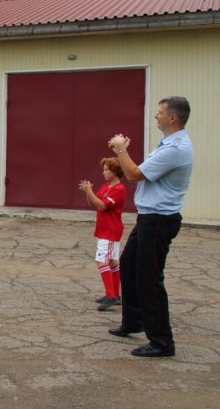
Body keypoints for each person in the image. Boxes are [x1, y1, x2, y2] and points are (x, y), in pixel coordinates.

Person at [107, 96, 193, 358]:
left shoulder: (175, 149)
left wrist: (121, 150)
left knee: (149, 278)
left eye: (160, 112)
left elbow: (133, 175)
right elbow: (140, 171)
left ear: (173, 118)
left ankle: (162, 341)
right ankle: (133, 320)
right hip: (149, 217)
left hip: (158, 220)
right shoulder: (167, 144)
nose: (156, 115)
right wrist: (122, 153)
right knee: (130, 265)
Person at [78, 157, 126, 311]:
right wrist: (88, 192)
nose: (103, 172)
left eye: (106, 169)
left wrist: (90, 192)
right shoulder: (106, 186)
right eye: (104, 169)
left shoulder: (119, 189)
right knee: (112, 262)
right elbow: (92, 202)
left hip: (110, 231)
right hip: (105, 230)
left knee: (101, 261)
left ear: (115, 171)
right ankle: (115, 295)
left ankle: (111, 295)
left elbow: (103, 206)